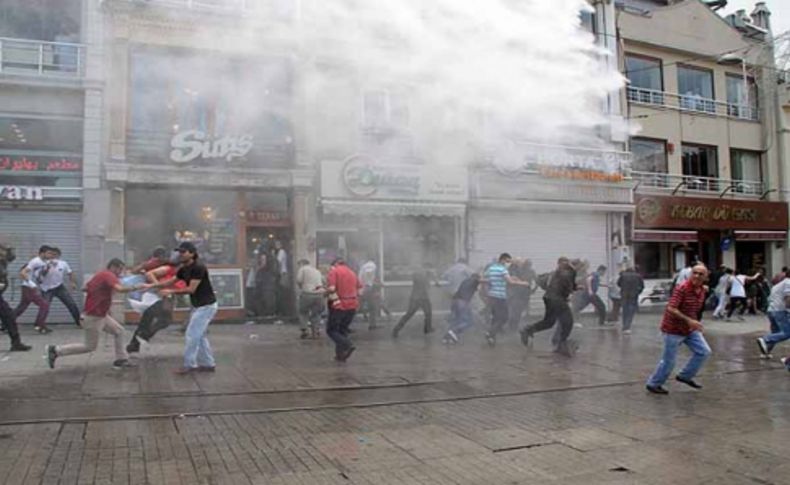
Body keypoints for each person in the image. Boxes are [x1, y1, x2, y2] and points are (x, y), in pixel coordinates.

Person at [46, 259, 145, 370]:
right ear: (113, 267)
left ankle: (120, 359)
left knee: (119, 331)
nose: (120, 272)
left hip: (100, 315)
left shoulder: (100, 275)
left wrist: (101, 293)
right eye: (119, 269)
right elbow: (120, 289)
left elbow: (85, 288)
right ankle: (56, 350)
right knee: (89, 346)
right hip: (93, 317)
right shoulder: (108, 275)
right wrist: (136, 287)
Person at [645, 263, 712, 394]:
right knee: (669, 361)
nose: (697, 276)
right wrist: (690, 320)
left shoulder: (703, 290)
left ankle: (685, 376)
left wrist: (695, 322)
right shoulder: (682, 288)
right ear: (690, 273)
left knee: (704, 352)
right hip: (673, 329)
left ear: (706, 277)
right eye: (695, 272)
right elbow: (671, 307)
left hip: (690, 329)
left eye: (701, 274)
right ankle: (654, 384)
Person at [161, 242, 219, 374]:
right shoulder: (183, 268)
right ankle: (208, 364)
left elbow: (191, 289)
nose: (180, 254)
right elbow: (170, 282)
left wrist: (171, 292)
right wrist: (151, 285)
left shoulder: (199, 267)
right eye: (179, 252)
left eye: (183, 252)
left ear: (192, 253)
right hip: (198, 306)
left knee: (192, 334)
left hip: (206, 306)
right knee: (200, 335)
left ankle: (190, 365)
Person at [126, 252, 185, 353]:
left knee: (159, 319)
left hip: (165, 296)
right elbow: (148, 273)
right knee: (154, 317)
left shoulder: (179, 272)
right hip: (156, 295)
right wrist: (158, 286)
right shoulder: (168, 268)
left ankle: (137, 342)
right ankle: (140, 339)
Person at [520, 256, 578, 356]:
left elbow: (540, 280)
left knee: (549, 322)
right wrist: (571, 290)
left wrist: (549, 289)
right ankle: (561, 345)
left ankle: (528, 330)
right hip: (558, 300)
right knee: (568, 322)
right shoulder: (569, 272)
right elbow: (569, 288)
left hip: (548, 298)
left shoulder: (554, 273)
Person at [483, 253, 530, 346]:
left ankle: (492, 338)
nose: (509, 263)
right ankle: (490, 333)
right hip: (500, 296)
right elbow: (510, 282)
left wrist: (490, 287)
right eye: (508, 261)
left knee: (496, 317)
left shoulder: (491, 268)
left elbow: (485, 279)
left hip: (492, 296)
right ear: (503, 260)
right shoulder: (502, 269)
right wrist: (523, 283)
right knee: (504, 317)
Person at [325, 258, 360, 362]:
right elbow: (360, 288)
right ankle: (340, 355)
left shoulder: (334, 271)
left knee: (331, 330)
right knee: (342, 330)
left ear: (335, 264)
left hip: (339, 305)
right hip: (352, 305)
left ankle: (348, 344)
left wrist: (324, 291)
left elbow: (331, 289)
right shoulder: (352, 272)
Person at [14, 245, 53, 334]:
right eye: (48, 253)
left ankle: (6, 323)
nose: (50, 255)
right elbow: (23, 272)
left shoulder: (44, 262)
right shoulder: (35, 261)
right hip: (29, 287)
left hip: (29, 287)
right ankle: (39, 325)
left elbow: (40, 275)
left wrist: (47, 268)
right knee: (44, 305)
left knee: (21, 307)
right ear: (42, 253)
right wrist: (31, 284)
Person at [0, 244, 31, 351]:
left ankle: (16, 343)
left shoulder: (3, 262)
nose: (5, 253)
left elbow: (11, 257)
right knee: (8, 316)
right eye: (3, 251)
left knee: (9, 317)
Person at [40, 247, 81, 327]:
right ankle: (40, 324)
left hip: (59, 287)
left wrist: (72, 282)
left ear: (59, 256)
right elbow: (41, 275)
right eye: (51, 254)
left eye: (55, 255)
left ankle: (79, 322)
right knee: (45, 306)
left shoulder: (63, 263)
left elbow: (70, 273)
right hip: (46, 288)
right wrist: (48, 266)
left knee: (71, 303)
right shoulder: (44, 263)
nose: (53, 257)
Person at [392, 267, 436, 337]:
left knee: (410, 314)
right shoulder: (422, 277)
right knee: (427, 313)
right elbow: (428, 285)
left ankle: (396, 329)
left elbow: (427, 284)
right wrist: (432, 278)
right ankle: (427, 328)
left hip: (416, 298)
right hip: (422, 298)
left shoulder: (417, 276)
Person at [756, 269, 790, 359]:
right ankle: (765, 339)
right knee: (787, 333)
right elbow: (788, 299)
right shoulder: (788, 283)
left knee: (776, 332)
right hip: (780, 310)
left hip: (771, 310)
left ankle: (766, 351)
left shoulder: (776, 286)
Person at [443, 273, 480, 344]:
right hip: (462, 302)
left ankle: (447, 337)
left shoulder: (465, 281)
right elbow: (476, 281)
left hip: (455, 302)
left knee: (456, 320)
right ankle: (453, 332)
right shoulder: (473, 280)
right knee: (468, 322)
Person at [296, 259, 325, 339]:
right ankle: (316, 331)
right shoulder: (316, 270)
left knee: (303, 312)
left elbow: (299, 280)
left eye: (299, 265)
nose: (298, 266)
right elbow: (323, 281)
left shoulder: (303, 269)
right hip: (319, 295)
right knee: (316, 313)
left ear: (302, 263)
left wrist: (301, 287)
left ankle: (305, 330)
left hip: (307, 294)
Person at [506, 259, 536, 331]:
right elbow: (512, 280)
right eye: (526, 264)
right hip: (517, 293)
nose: (527, 266)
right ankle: (512, 324)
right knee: (514, 309)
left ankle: (514, 325)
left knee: (519, 309)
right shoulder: (518, 270)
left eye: (528, 265)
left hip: (524, 293)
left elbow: (536, 281)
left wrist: (533, 289)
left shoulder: (531, 272)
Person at [618, 267, 644, 335]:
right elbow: (642, 286)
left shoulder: (623, 275)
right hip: (633, 296)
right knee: (631, 312)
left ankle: (624, 326)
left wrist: (623, 289)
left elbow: (618, 284)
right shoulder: (638, 276)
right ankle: (627, 327)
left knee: (625, 311)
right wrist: (638, 292)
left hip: (624, 295)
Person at [358, 257, 380, 329]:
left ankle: (372, 323)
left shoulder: (363, 266)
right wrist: (373, 285)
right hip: (369, 288)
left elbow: (360, 277)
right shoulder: (373, 265)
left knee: (365, 305)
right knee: (372, 307)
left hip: (363, 288)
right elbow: (370, 276)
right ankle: (372, 325)